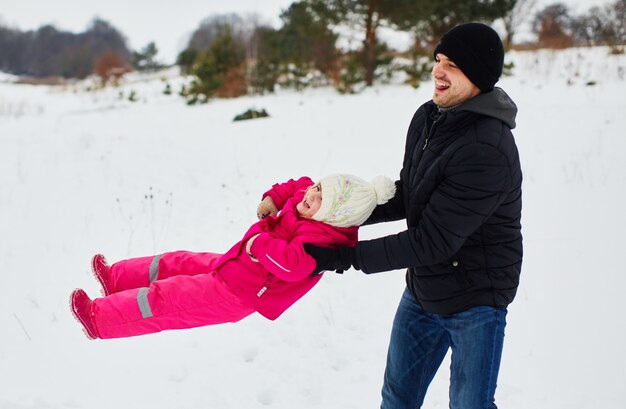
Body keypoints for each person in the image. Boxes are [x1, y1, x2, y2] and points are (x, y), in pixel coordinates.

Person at [304, 22, 523, 409]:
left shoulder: (487, 148)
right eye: (438, 60)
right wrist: (335, 211)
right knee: (398, 399)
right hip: (425, 288)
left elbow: (433, 240)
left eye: (452, 64)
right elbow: (411, 194)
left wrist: (345, 258)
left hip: (477, 299)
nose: (438, 71)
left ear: (478, 76)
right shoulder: (429, 118)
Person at [69, 174, 395, 340]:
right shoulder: (308, 196)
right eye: (320, 187)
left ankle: (100, 320)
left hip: (240, 293)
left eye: (323, 199)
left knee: (166, 299)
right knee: (175, 262)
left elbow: (293, 266)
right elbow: (298, 184)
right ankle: (116, 279)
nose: (313, 195)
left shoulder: (320, 242)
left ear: (336, 218)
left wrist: (258, 244)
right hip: (235, 264)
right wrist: (273, 198)